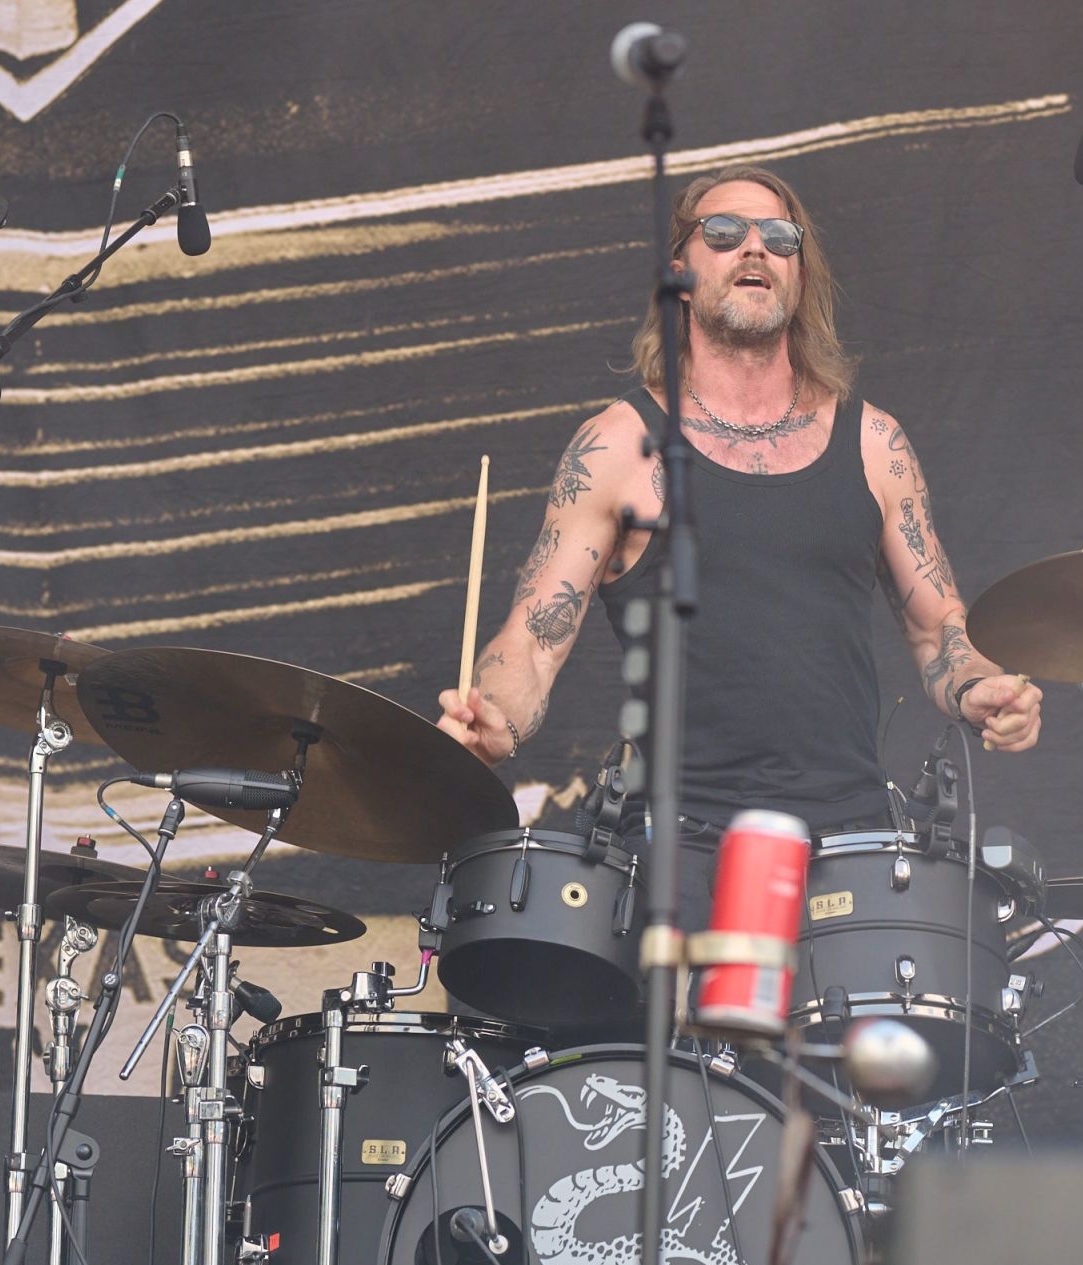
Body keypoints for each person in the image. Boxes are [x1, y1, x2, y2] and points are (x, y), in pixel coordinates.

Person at [436, 165, 1041, 929]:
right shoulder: (619, 447)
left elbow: (937, 631)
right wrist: (496, 714)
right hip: (677, 846)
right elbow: (534, 638)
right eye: (723, 232)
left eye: (780, 237)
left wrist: (979, 686)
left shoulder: (874, 444)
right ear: (679, 275)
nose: (755, 247)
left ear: (799, 273)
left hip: (845, 846)